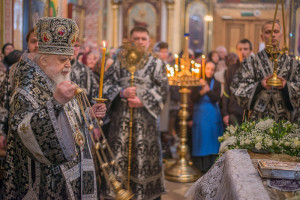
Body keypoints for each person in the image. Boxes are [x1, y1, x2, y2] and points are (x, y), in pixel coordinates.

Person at [1, 17, 106, 199]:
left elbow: (70, 121)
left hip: (72, 174)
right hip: (43, 181)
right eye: (62, 60)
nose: (68, 65)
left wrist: (88, 114)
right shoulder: (25, 90)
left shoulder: (57, 79)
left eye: (69, 59)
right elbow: (25, 133)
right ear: (43, 60)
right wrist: (55, 103)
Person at [102, 26, 168, 200]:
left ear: (149, 42)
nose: (139, 42)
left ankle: (145, 194)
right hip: (120, 121)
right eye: (136, 39)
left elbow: (163, 90)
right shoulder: (119, 61)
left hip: (146, 123)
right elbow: (105, 84)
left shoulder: (157, 63)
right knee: (119, 159)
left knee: (144, 159)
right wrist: (121, 92)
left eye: (143, 39)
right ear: (130, 41)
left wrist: (143, 99)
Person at [231, 20, 300, 122]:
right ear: (262, 37)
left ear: (281, 35)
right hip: (257, 120)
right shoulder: (250, 62)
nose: (272, 35)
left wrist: (286, 86)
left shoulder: (293, 64)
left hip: (285, 121)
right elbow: (237, 89)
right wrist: (260, 85)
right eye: (268, 32)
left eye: (276, 31)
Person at [191, 61, 223, 172]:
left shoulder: (217, 83)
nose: (210, 71)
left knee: (211, 141)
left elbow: (216, 97)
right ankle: (199, 166)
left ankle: (211, 166)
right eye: (208, 68)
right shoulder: (196, 81)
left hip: (212, 115)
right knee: (200, 140)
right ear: (204, 69)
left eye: (212, 69)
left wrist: (207, 90)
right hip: (199, 114)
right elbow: (193, 98)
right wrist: (201, 92)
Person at [222, 39, 252, 126]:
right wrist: (225, 113)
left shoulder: (255, 69)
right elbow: (226, 92)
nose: (243, 52)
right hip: (234, 111)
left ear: (250, 51)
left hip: (250, 113)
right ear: (237, 51)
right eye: (240, 49)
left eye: (245, 49)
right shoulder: (231, 69)